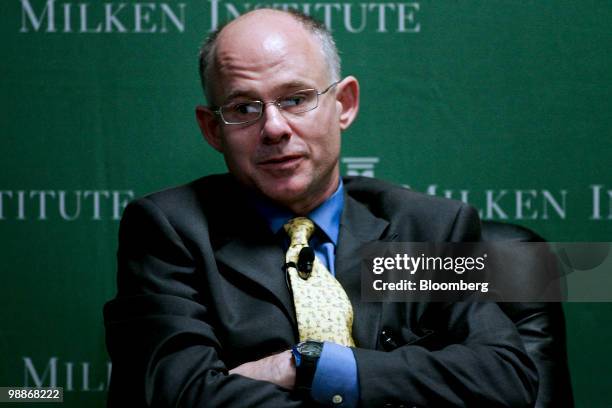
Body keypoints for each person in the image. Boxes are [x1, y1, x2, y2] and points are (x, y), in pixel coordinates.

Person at [104, 8, 537, 407]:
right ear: (213, 129)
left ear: (343, 104)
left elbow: (503, 378)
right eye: (244, 108)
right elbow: (181, 396)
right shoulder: (171, 230)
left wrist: (305, 365)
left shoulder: (423, 228)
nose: (274, 128)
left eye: (295, 99)